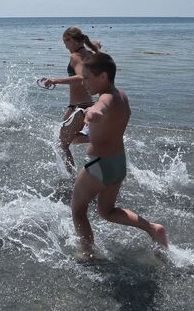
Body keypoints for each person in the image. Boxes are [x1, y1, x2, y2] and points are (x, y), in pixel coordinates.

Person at [71, 52, 168, 258]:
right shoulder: (121, 95)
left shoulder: (105, 98)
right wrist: (88, 131)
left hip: (99, 165)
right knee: (107, 211)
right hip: (117, 163)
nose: (83, 82)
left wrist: (92, 112)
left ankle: (87, 254)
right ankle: (152, 228)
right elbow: (109, 126)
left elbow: (101, 107)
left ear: (103, 77)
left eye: (87, 77)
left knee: (78, 210)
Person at [40, 26, 100, 172]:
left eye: (65, 42)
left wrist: (55, 80)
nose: (65, 46)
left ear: (72, 40)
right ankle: (97, 139)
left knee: (62, 144)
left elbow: (81, 77)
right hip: (82, 105)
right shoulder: (89, 53)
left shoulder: (75, 56)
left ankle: (73, 179)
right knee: (66, 139)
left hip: (80, 107)